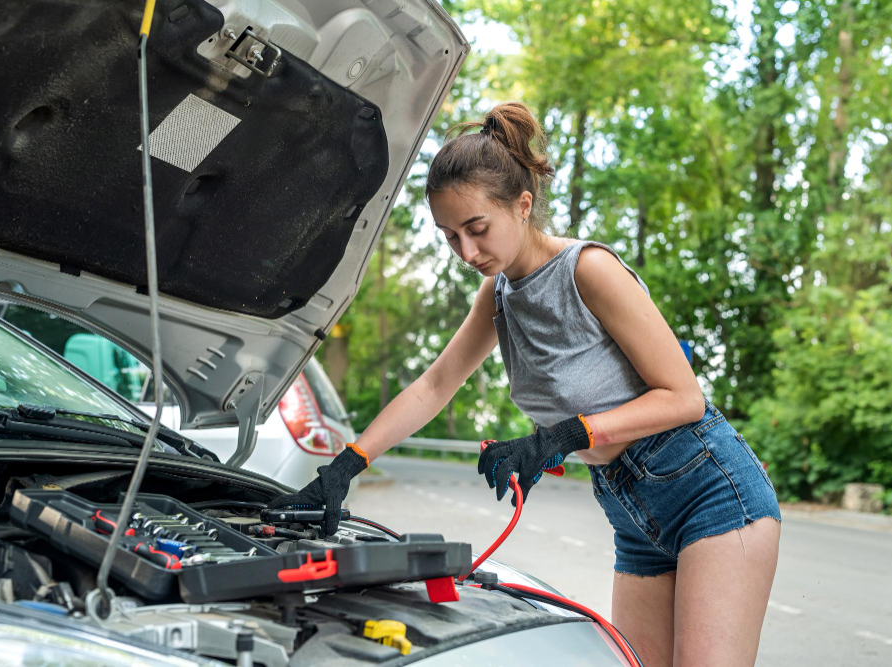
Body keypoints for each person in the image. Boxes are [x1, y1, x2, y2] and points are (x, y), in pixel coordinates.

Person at [268, 102, 782, 666]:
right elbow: (435, 385)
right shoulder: (498, 295)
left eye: (478, 229)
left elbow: (685, 399)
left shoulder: (588, 269)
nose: (467, 252)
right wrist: (348, 462)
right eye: (449, 236)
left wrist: (559, 437)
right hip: (631, 509)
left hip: (706, 490)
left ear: (523, 204)